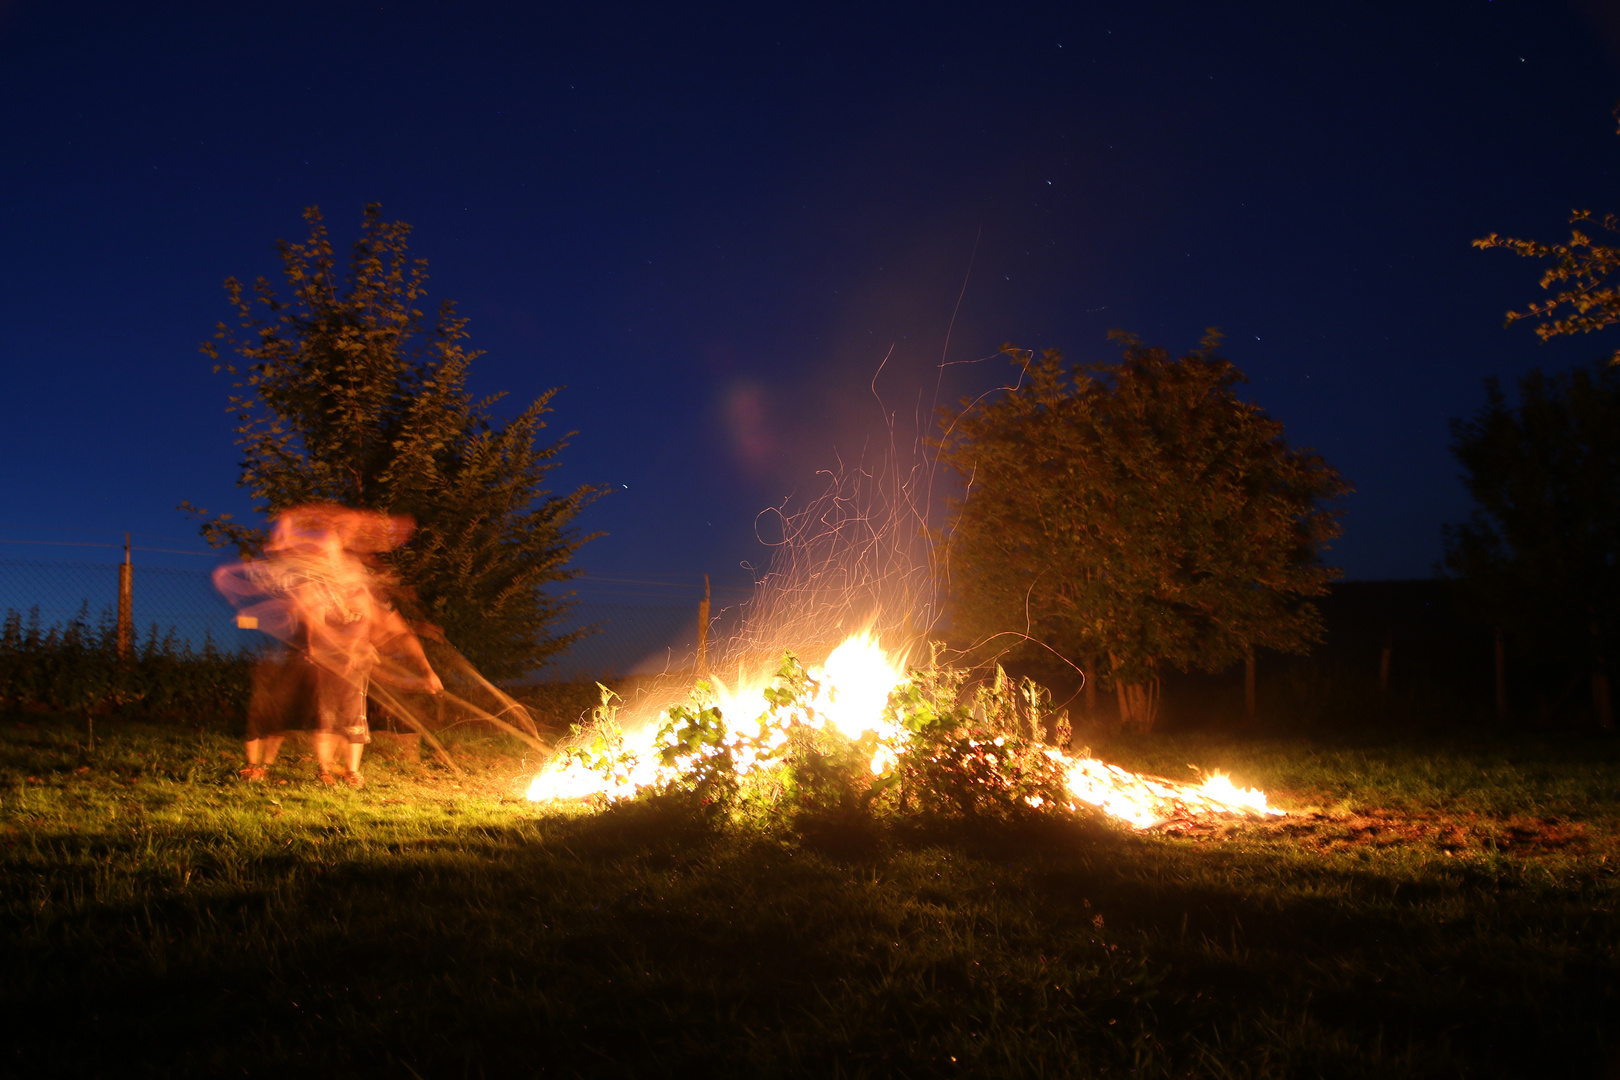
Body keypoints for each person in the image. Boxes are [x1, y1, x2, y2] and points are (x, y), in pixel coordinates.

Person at [215, 504, 443, 788]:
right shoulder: (311, 586)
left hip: (338, 663)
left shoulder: (363, 592)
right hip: (307, 657)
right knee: (296, 712)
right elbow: (316, 630)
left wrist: (426, 670)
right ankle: (284, 766)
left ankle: (341, 769)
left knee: (343, 714)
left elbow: (398, 631)